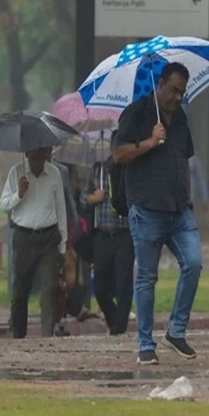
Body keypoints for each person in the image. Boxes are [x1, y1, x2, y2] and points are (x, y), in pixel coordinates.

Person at [114, 61, 202, 365]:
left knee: (193, 263)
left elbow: (185, 157)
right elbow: (118, 153)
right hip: (147, 208)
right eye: (173, 90)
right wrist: (150, 142)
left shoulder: (180, 119)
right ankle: (145, 343)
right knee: (147, 278)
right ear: (160, 84)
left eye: (182, 92)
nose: (177, 97)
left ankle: (176, 331)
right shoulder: (137, 112)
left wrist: (188, 197)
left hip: (179, 209)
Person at [1, 147, 67, 339]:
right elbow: (4, 205)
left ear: (47, 154)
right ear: (27, 154)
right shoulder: (16, 172)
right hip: (24, 237)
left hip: (48, 237)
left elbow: (60, 208)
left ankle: (47, 335)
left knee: (49, 289)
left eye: (41, 156)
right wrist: (19, 194)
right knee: (20, 289)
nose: (37, 161)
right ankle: (19, 335)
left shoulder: (54, 173)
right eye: (34, 156)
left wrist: (63, 244)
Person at [81, 133, 134, 336]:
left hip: (125, 233)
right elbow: (83, 199)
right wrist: (93, 198)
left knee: (123, 284)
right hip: (103, 233)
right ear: (112, 147)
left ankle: (118, 329)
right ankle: (114, 321)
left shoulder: (131, 170)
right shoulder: (99, 169)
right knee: (101, 286)